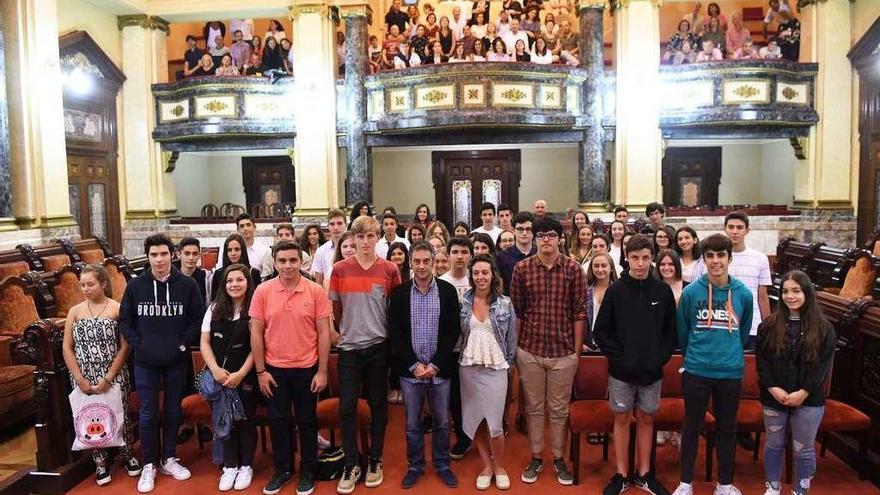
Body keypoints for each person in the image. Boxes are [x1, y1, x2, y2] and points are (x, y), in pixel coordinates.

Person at [119, 234, 204, 493]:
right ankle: (149, 464)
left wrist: (182, 344)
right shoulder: (135, 286)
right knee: (147, 413)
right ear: (148, 257)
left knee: (173, 411)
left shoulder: (187, 285)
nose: (159, 259)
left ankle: (168, 458)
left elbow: (197, 318)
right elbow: (125, 321)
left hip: (176, 359)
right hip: (145, 361)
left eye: (164, 254)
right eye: (154, 255)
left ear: (172, 255)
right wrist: (139, 344)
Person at [594, 234, 676, 495]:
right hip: (621, 372)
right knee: (620, 419)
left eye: (644, 258)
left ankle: (644, 474)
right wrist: (619, 358)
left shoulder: (662, 291)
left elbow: (670, 334)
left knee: (646, 419)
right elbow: (601, 332)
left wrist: (658, 358)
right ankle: (621, 474)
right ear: (626, 259)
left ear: (652, 258)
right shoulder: (615, 291)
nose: (640, 263)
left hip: (652, 371)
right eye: (634, 258)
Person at [673, 234, 754, 495]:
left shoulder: (743, 293)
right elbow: (683, 334)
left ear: (729, 259)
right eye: (710, 256)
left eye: (721, 256)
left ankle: (725, 484)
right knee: (692, 426)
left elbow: (742, 334)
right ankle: (685, 482)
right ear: (704, 259)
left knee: (727, 429)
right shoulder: (690, 293)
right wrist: (697, 356)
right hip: (697, 370)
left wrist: (728, 354)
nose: (716, 261)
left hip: (730, 372)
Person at [510, 216, 586, 485]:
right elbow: (516, 312)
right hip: (529, 349)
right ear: (534, 238)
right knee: (533, 408)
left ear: (560, 238)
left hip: (564, 351)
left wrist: (576, 351)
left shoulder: (573, 269)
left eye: (551, 235)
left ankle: (558, 459)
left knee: (559, 409)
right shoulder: (522, 269)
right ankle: (536, 457)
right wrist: (516, 349)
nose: (545, 240)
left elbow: (579, 312)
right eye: (540, 235)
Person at [251, 241, 331, 495]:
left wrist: (323, 370)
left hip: (307, 368)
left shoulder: (315, 291)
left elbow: (324, 333)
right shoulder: (262, 291)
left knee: (307, 421)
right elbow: (256, 333)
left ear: (301, 261)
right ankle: (283, 470)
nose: (287, 266)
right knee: (278, 421)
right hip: (274, 370)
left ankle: (308, 470)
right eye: (282, 261)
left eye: (293, 260)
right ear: (274, 263)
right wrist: (261, 372)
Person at [329, 216, 402, 494]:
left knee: (378, 406)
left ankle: (375, 459)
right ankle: (351, 463)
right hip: (349, 349)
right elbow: (335, 309)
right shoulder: (339, 269)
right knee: (346, 406)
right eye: (361, 237)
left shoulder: (390, 269)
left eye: (371, 236)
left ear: (378, 237)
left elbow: (394, 309)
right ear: (354, 239)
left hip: (378, 347)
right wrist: (341, 333)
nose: (366, 242)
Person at [389, 242, 461, 489]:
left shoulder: (448, 291)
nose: (421, 266)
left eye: (426, 261)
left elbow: (453, 332)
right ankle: (415, 465)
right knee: (412, 424)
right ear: (410, 263)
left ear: (434, 262)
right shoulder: (399, 293)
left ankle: (442, 465)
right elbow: (395, 333)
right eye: (416, 261)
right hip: (411, 373)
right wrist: (414, 365)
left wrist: (436, 365)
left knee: (442, 421)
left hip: (439, 371)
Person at [756, 270, 835, 495]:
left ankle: (801, 490)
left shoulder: (824, 328)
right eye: (785, 292)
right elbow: (763, 364)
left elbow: (822, 367)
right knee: (774, 444)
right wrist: (773, 388)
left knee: (803, 448)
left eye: (796, 291)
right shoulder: (769, 325)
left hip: (809, 399)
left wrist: (804, 392)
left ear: (807, 293)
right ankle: (772, 487)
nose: (790, 296)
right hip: (774, 396)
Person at [63, 265, 140, 486]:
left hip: (113, 373)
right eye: (82, 285)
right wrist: (79, 378)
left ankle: (127, 453)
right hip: (83, 374)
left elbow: (125, 347)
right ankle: (99, 460)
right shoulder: (75, 311)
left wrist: (109, 377)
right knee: (90, 416)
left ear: (103, 284)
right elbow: (67, 347)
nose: (85, 289)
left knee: (119, 412)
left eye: (90, 284)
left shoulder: (116, 308)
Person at [459, 254, 517, 491]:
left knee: (495, 424)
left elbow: (511, 339)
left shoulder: (505, 304)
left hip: (496, 370)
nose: (481, 277)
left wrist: (511, 366)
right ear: (471, 276)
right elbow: (459, 335)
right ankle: (487, 466)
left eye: (485, 272)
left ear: (492, 274)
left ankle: (500, 465)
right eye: (476, 273)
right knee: (475, 421)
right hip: (469, 370)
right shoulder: (463, 302)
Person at [201, 264, 258, 492]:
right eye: (229, 281)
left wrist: (242, 373)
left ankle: (246, 465)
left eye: (239, 280)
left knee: (244, 421)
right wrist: (214, 369)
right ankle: (230, 466)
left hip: (245, 376)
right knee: (223, 422)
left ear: (247, 282)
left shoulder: (255, 308)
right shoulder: (214, 308)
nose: (234, 284)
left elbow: (258, 347)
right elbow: (204, 342)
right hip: (219, 377)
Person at [691, 211, 771, 350]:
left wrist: (769, 326)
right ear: (724, 229)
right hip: (718, 324)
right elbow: (699, 294)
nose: (735, 231)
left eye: (739, 227)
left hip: (752, 325)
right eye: (731, 227)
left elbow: (762, 296)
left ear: (747, 230)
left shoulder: (760, 258)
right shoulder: (711, 260)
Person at [439, 237, 474, 459]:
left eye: (464, 252)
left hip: (475, 349)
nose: (459, 256)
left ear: (470, 255)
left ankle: (479, 435)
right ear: (449, 255)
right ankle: (462, 436)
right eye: (455, 252)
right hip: (450, 350)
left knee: (475, 394)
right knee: (455, 397)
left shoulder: (478, 278)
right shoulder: (440, 282)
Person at [211, 234, 262, 301]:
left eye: (237, 249)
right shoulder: (219, 273)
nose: (233, 253)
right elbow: (215, 300)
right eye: (229, 250)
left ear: (243, 250)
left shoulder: (253, 273)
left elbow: (257, 299)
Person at [583, 252, 618, 350]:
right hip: (587, 346)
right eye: (596, 266)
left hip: (611, 348)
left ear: (611, 268)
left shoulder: (619, 292)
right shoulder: (584, 292)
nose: (600, 269)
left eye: (604, 265)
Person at [496, 212, 535, 294]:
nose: (524, 233)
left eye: (528, 229)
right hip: (510, 302)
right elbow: (500, 287)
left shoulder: (540, 254)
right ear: (513, 230)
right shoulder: (502, 257)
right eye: (520, 229)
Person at [311, 208, 348, 286]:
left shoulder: (355, 248)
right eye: (332, 224)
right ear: (328, 226)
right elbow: (319, 283)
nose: (336, 228)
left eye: (339, 223)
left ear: (346, 225)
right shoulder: (321, 251)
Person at [234, 213, 271, 278]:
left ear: (254, 227)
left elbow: (267, 277)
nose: (245, 229)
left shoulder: (265, 251)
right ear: (238, 230)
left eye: (248, 225)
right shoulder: (232, 250)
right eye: (242, 226)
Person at [177, 237, 208, 304]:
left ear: (199, 255)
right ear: (179, 254)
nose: (191, 258)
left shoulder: (206, 278)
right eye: (187, 254)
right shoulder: (172, 278)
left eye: (195, 254)